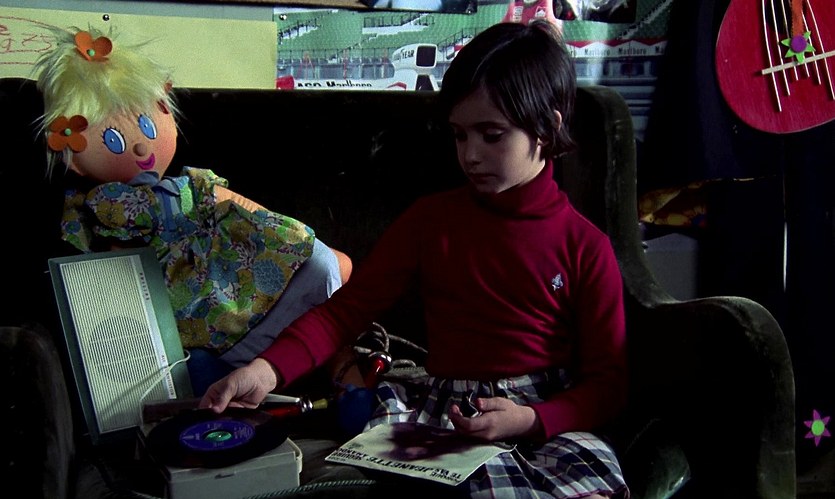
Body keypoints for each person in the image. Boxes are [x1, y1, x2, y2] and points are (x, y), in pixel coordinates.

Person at [201, 21, 629, 498]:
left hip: (546, 417)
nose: (470, 155)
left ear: (547, 127)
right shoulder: (431, 221)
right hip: (445, 412)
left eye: (492, 135)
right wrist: (264, 371)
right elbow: (344, 313)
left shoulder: (586, 247)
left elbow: (608, 384)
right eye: (460, 135)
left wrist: (531, 418)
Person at [34, 26, 352, 394]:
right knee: (197, 367)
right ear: (73, 155)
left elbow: (247, 210)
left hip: (235, 275)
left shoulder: (192, 186)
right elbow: (119, 279)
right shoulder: (109, 208)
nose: (141, 149)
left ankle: (345, 379)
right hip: (188, 309)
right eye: (113, 140)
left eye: (147, 125)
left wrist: (297, 241)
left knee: (325, 264)